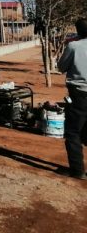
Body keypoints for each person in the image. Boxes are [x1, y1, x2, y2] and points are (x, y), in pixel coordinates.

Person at [56, 18, 87, 180]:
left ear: (78, 31)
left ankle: (77, 170)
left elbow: (61, 67)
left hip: (79, 95)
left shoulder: (73, 46)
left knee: (73, 132)